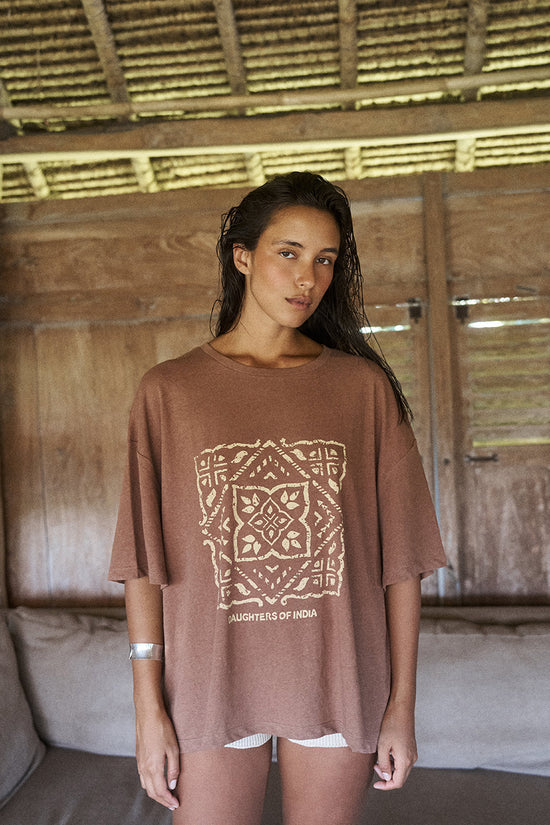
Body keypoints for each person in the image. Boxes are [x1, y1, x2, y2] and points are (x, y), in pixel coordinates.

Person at [109, 171, 447, 825]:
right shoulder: (169, 391)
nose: (306, 278)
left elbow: (401, 564)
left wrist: (401, 703)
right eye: (288, 252)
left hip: (340, 673)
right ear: (243, 256)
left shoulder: (361, 389)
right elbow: (143, 566)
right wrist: (148, 709)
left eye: (324, 260)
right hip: (209, 680)